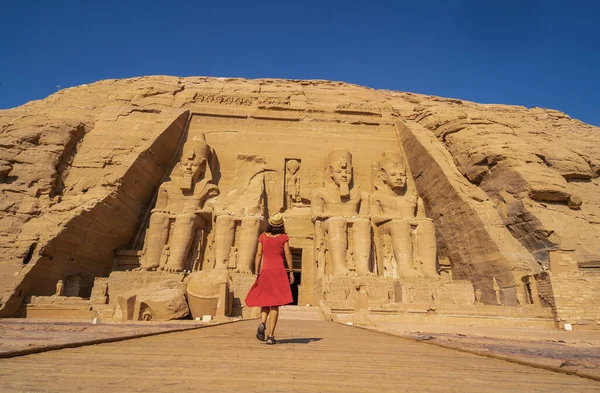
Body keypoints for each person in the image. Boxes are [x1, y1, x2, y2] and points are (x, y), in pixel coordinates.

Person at [245, 213, 294, 345]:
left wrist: (256, 272)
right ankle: (271, 336)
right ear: (281, 225)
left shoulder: (262, 237)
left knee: (265, 302)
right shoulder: (284, 237)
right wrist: (291, 271)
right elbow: (288, 254)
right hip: (278, 271)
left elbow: (258, 254)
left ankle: (262, 323)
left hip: (265, 271)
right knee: (275, 304)